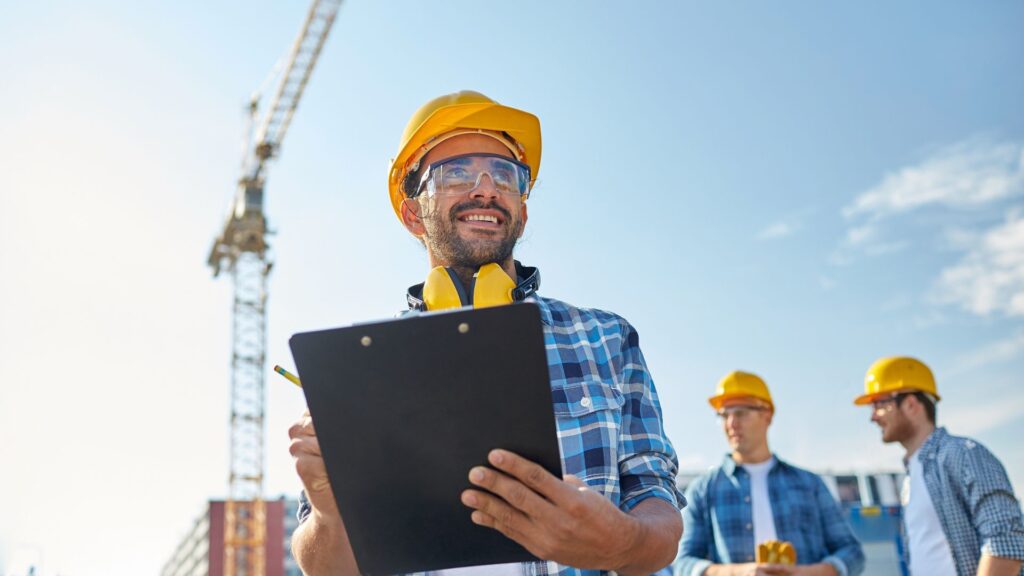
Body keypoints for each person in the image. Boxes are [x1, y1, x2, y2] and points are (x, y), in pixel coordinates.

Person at [288, 90, 685, 576]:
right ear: (413, 213)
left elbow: (656, 505)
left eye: (505, 175)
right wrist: (330, 510)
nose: (486, 188)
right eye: (455, 172)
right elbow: (324, 568)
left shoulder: (607, 339)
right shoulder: (359, 369)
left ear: (521, 207)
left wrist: (623, 544)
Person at [674, 371, 864, 576]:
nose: (731, 424)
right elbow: (683, 564)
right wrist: (737, 573)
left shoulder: (809, 485)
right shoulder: (704, 490)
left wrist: (807, 573)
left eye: (740, 413)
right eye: (724, 415)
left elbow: (852, 553)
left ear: (767, 415)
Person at [854, 356, 1024, 576]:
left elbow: (1006, 541)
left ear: (910, 404)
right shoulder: (911, 478)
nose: (873, 417)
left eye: (879, 404)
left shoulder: (963, 454)